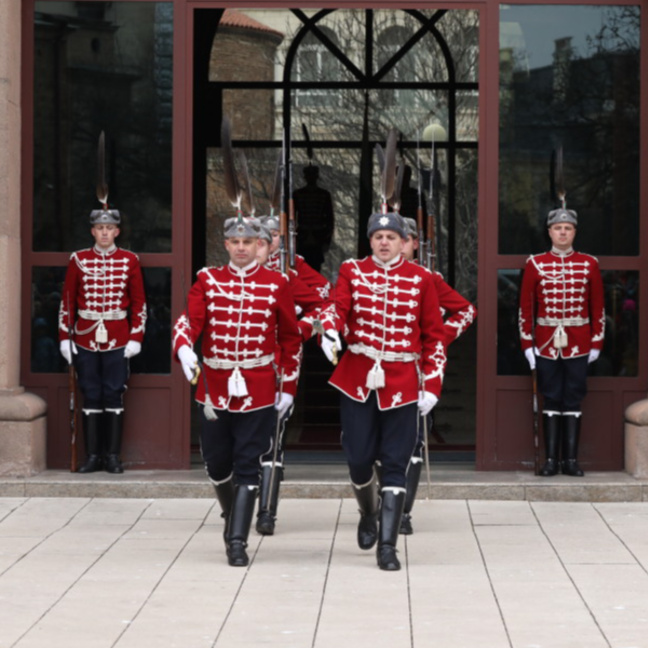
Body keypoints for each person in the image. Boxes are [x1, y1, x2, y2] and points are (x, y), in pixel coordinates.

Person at [172, 216, 302, 567]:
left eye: (248, 242)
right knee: (216, 464)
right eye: (235, 242)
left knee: (249, 463)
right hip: (214, 387)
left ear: (258, 244)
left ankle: (236, 540)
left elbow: (291, 338)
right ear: (226, 245)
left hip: (259, 386)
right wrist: (183, 347)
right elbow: (190, 320)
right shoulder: (208, 279)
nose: (242, 247)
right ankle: (233, 517)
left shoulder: (276, 283)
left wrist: (287, 386)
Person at [319, 212, 446, 571]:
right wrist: (329, 329)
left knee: (396, 462)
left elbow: (434, 336)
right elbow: (337, 306)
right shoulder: (352, 270)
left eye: (392, 236)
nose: (385, 242)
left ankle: (388, 548)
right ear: (370, 240)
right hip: (359, 376)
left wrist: (432, 385)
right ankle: (367, 512)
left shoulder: (422, 278)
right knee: (358, 457)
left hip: (404, 380)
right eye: (379, 236)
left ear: (403, 241)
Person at [252, 215, 330, 536]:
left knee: (274, 438)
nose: (267, 243)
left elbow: (324, 299)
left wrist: (298, 325)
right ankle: (238, 499)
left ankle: (266, 511)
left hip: (280, 362)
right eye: (261, 237)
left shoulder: (288, 272)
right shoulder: (224, 276)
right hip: (240, 368)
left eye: (272, 237)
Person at [398, 216, 475, 534]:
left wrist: (438, 336)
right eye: (391, 237)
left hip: (415, 369)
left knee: (413, 442)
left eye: (405, 239)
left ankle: (402, 512)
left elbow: (466, 310)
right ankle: (378, 505)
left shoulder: (428, 277)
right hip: (376, 372)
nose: (397, 245)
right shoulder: (364, 275)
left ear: (416, 244)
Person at [58, 207, 146, 474]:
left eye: (109, 228)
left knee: (113, 393)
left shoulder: (130, 260)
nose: (105, 232)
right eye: (100, 228)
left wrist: (136, 336)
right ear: (93, 231)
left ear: (117, 232)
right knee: (91, 394)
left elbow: (140, 302)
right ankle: (93, 456)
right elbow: (68, 302)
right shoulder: (79, 259)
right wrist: (65, 337)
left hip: (118, 338)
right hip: (85, 337)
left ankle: (113, 457)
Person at [518, 207, 605, 477]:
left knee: (574, 398)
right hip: (545, 342)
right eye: (558, 228)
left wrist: (596, 343)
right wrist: (527, 345)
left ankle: (570, 460)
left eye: (567, 228)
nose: (563, 232)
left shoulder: (589, 263)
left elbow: (598, 307)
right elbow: (525, 308)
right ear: (550, 232)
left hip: (578, 342)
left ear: (574, 232)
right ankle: (551, 461)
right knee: (551, 397)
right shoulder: (535, 263)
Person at [291, 165, 335, 272]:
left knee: (315, 268)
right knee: (301, 267)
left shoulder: (323, 195)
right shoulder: (298, 194)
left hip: (317, 236)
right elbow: (292, 218)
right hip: (303, 236)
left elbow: (330, 219)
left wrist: (326, 240)